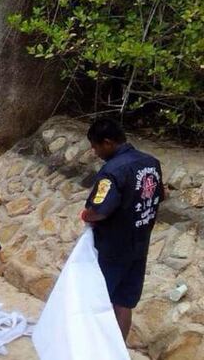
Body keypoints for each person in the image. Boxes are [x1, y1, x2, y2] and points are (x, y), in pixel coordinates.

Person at [79, 118, 163, 341]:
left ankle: (94, 350)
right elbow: (158, 196)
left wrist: (86, 214)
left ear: (107, 143)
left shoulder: (113, 171)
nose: (95, 152)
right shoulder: (151, 163)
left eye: (96, 146)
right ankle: (118, 352)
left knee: (98, 301)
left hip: (112, 249)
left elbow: (100, 210)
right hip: (140, 246)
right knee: (124, 303)